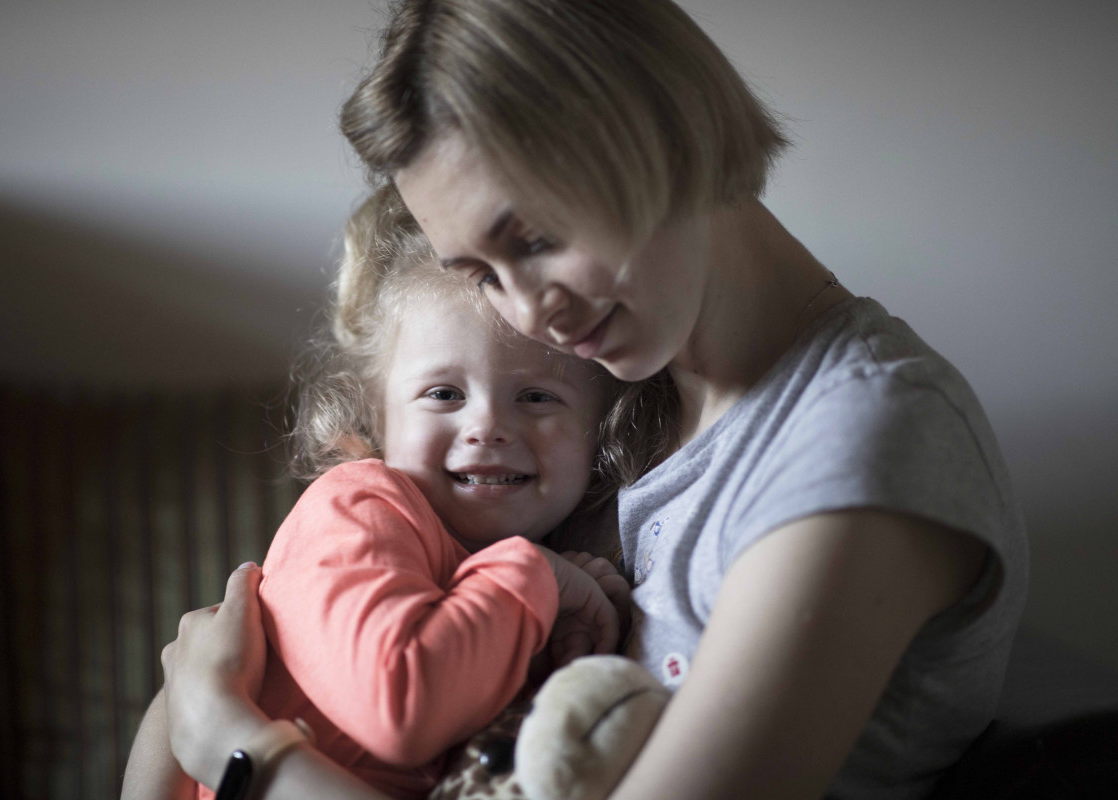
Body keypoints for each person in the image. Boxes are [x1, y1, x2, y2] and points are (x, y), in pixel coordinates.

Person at [149, 1, 1029, 798]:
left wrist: (233, 745)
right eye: (482, 274)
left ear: (659, 130)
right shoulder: (599, 412)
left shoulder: (866, 434)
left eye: (535, 237)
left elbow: (221, 712)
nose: (531, 313)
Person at [123, 187, 665, 800]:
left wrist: (570, 640)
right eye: (443, 394)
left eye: (538, 397)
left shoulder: (539, 554)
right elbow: (403, 709)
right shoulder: (359, 505)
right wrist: (533, 576)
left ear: (600, 431)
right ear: (376, 415)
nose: (486, 426)